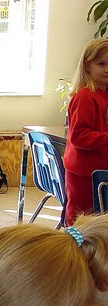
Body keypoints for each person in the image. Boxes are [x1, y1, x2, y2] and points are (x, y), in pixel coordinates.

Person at [63, 39, 108, 225]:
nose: (107, 69)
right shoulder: (85, 96)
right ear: (87, 66)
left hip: (99, 172)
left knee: (98, 224)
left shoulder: (103, 94)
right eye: (101, 64)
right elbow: (79, 137)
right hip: (83, 174)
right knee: (81, 223)